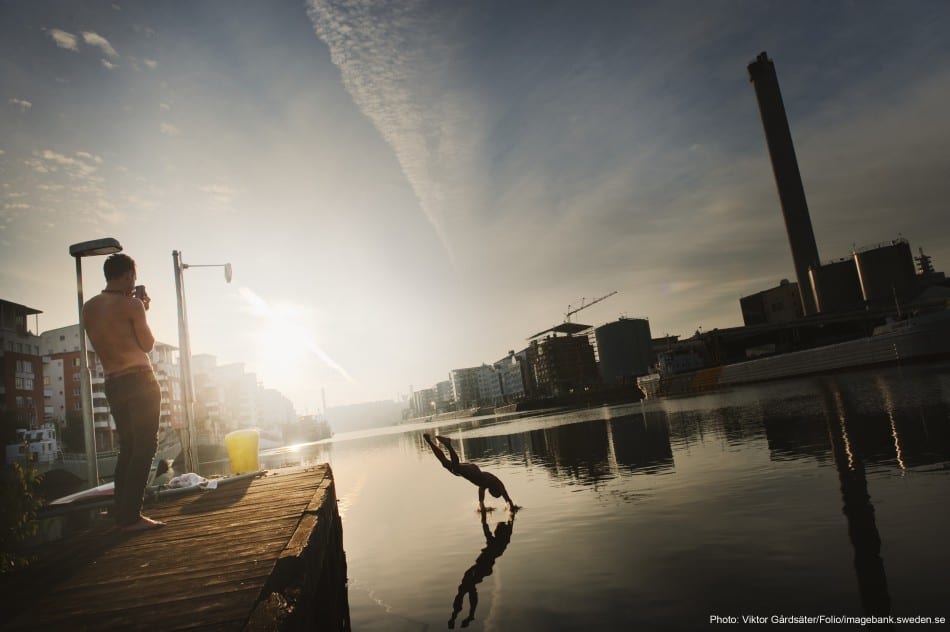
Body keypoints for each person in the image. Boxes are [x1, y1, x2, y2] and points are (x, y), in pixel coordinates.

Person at [82, 253, 164, 532]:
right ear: (129, 275)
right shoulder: (132, 305)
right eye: (133, 278)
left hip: (113, 382)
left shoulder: (89, 307)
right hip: (140, 379)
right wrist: (141, 307)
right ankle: (131, 516)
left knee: (127, 447)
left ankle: (121, 512)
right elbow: (147, 344)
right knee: (145, 446)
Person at [423, 433, 516, 512]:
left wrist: (482, 504)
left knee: (446, 464)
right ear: (496, 491)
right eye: (495, 495)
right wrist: (510, 506)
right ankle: (448, 444)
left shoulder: (486, 485)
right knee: (456, 467)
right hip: (473, 471)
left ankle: (429, 441)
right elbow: (507, 498)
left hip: (472, 471)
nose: (492, 495)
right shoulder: (497, 484)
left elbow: (481, 492)